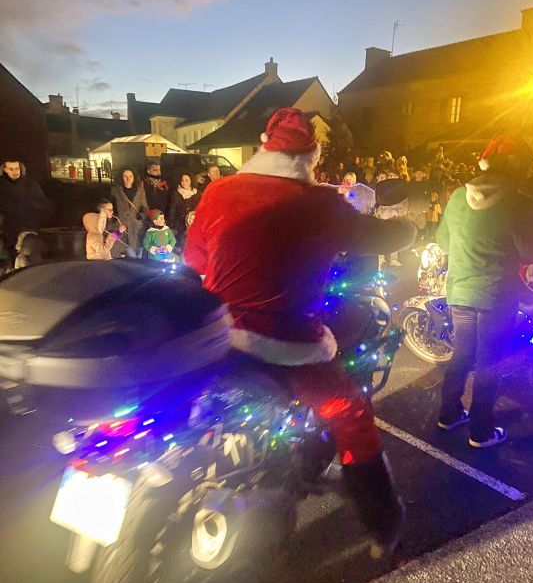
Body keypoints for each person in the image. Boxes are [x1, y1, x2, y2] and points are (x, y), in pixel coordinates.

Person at [184, 107, 416, 553]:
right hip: (284, 344)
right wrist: (407, 228)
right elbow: (380, 238)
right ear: (311, 156)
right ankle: (383, 526)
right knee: (351, 414)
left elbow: (195, 259)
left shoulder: (218, 190)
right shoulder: (320, 203)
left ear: (263, 145)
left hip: (219, 335)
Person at [436, 133, 533, 448]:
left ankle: (449, 414)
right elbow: (530, 252)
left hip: (460, 291)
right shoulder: (519, 202)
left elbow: (443, 242)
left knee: (462, 355)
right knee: (489, 361)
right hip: (496, 296)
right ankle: (481, 431)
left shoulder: (457, 197)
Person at [0, 160, 50, 252]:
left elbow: (44, 205)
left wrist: (29, 204)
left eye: (17, 169)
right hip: (7, 230)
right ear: (5, 170)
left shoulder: (31, 185)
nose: (15, 172)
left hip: (29, 228)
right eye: (11, 169)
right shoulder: (2, 186)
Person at [374, 164, 410, 267]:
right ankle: (381, 258)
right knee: (382, 238)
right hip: (383, 217)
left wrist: (397, 213)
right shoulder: (382, 189)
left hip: (394, 218)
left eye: (392, 176)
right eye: (389, 176)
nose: (390, 178)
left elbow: (404, 203)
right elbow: (378, 203)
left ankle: (393, 258)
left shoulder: (400, 189)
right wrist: (379, 213)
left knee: (395, 237)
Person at [111, 168, 148, 258]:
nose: (128, 179)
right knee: (131, 255)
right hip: (123, 227)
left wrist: (141, 215)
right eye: (125, 176)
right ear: (121, 177)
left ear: (134, 177)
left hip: (137, 228)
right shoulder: (115, 191)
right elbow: (112, 206)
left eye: (130, 176)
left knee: (138, 255)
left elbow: (145, 207)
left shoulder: (140, 191)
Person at [167, 173, 201, 245]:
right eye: (182, 180)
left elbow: (200, 208)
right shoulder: (176, 193)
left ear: (191, 181)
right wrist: (171, 225)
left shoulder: (197, 194)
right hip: (179, 224)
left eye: (186, 180)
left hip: (193, 224)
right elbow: (172, 209)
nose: (184, 182)